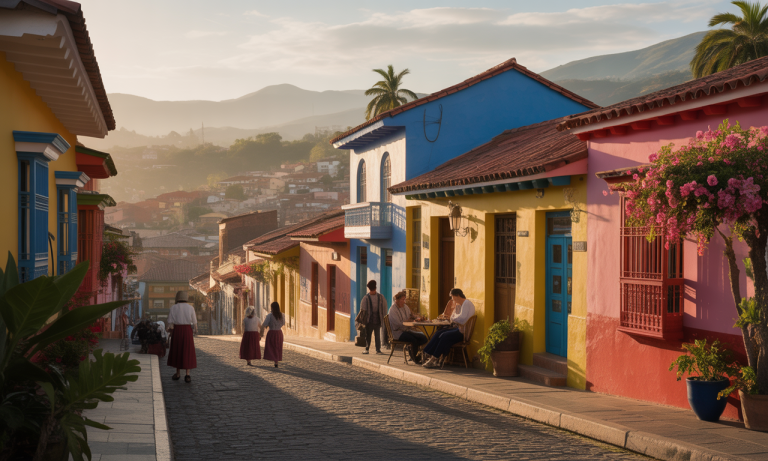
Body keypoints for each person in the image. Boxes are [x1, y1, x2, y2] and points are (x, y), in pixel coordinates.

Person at [422, 288, 475, 368]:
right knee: (439, 332)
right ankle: (427, 353)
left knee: (444, 335)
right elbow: (455, 317)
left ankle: (434, 358)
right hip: (459, 329)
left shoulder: (466, 303)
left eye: (452, 296)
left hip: (463, 333)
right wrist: (454, 317)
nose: (452, 299)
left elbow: (461, 319)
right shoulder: (461, 305)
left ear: (457, 295)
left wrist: (453, 318)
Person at [388, 290, 428, 364]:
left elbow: (411, 316)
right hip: (398, 332)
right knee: (413, 340)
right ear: (397, 300)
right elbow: (398, 324)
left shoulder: (405, 307)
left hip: (407, 330)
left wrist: (416, 318)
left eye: (404, 299)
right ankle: (415, 358)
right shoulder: (393, 310)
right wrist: (408, 321)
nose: (404, 301)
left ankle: (412, 349)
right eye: (403, 300)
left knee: (423, 338)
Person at [166, 291, 198, 383]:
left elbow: (170, 321)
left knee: (178, 350)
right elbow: (194, 321)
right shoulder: (190, 308)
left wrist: (168, 330)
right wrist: (195, 330)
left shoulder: (173, 307)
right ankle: (187, 375)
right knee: (187, 350)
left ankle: (178, 373)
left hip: (177, 331)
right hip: (187, 330)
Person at [354, 280, 387, 355]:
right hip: (369, 321)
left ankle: (377, 349)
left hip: (378, 320)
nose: (373, 291)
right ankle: (367, 348)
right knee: (368, 335)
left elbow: (384, 308)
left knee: (377, 335)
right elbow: (363, 311)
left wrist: (383, 318)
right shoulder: (366, 298)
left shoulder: (380, 297)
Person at [261, 302, 285, 368]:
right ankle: (276, 361)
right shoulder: (282, 315)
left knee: (271, 347)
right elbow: (283, 323)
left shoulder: (270, 316)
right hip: (279, 333)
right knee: (278, 347)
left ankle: (274, 359)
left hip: (272, 333)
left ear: (272, 308)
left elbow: (265, 324)